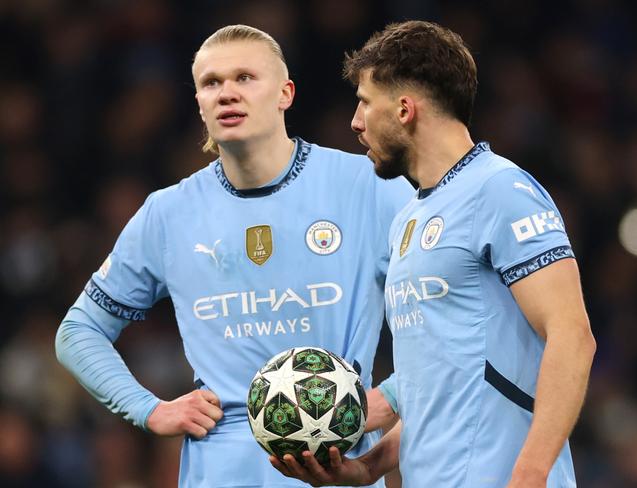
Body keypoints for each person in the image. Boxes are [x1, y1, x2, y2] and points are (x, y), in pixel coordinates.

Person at [55, 24, 411, 488]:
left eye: (245, 78)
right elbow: (78, 331)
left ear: (285, 93)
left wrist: (394, 394)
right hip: (220, 469)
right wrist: (149, 409)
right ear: (200, 104)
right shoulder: (168, 213)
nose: (226, 93)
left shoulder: (370, 188)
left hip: (334, 465)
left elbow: (456, 314)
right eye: (211, 83)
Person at [270, 20, 596, 487]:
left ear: (404, 109)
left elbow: (572, 336)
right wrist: (370, 466)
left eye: (364, 102)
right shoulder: (409, 216)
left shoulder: (501, 189)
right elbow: (440, 383)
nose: (355, 122)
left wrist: (530, 473)